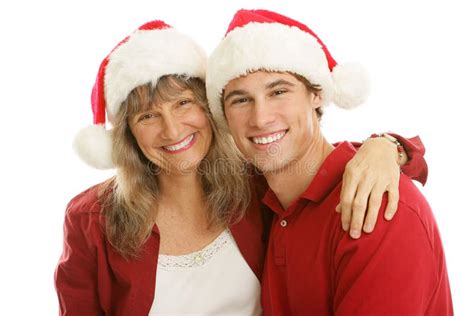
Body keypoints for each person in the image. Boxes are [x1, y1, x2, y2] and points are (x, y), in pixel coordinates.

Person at [55, 19, 429, 315]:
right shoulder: (91, 220)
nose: (171, 130)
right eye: (148, 116)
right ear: (127, 135)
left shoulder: (255, 188)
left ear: (208, 111)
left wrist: (388, 147)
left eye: (184, 104)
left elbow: (315, 165)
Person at [206, 9, 453, 315]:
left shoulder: (374, 206)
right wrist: (391, 145)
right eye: (241, 100)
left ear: (317, 95)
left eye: (279, 91)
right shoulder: (256, 199)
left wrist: (389, 148)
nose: (260, 118)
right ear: (225, 118)